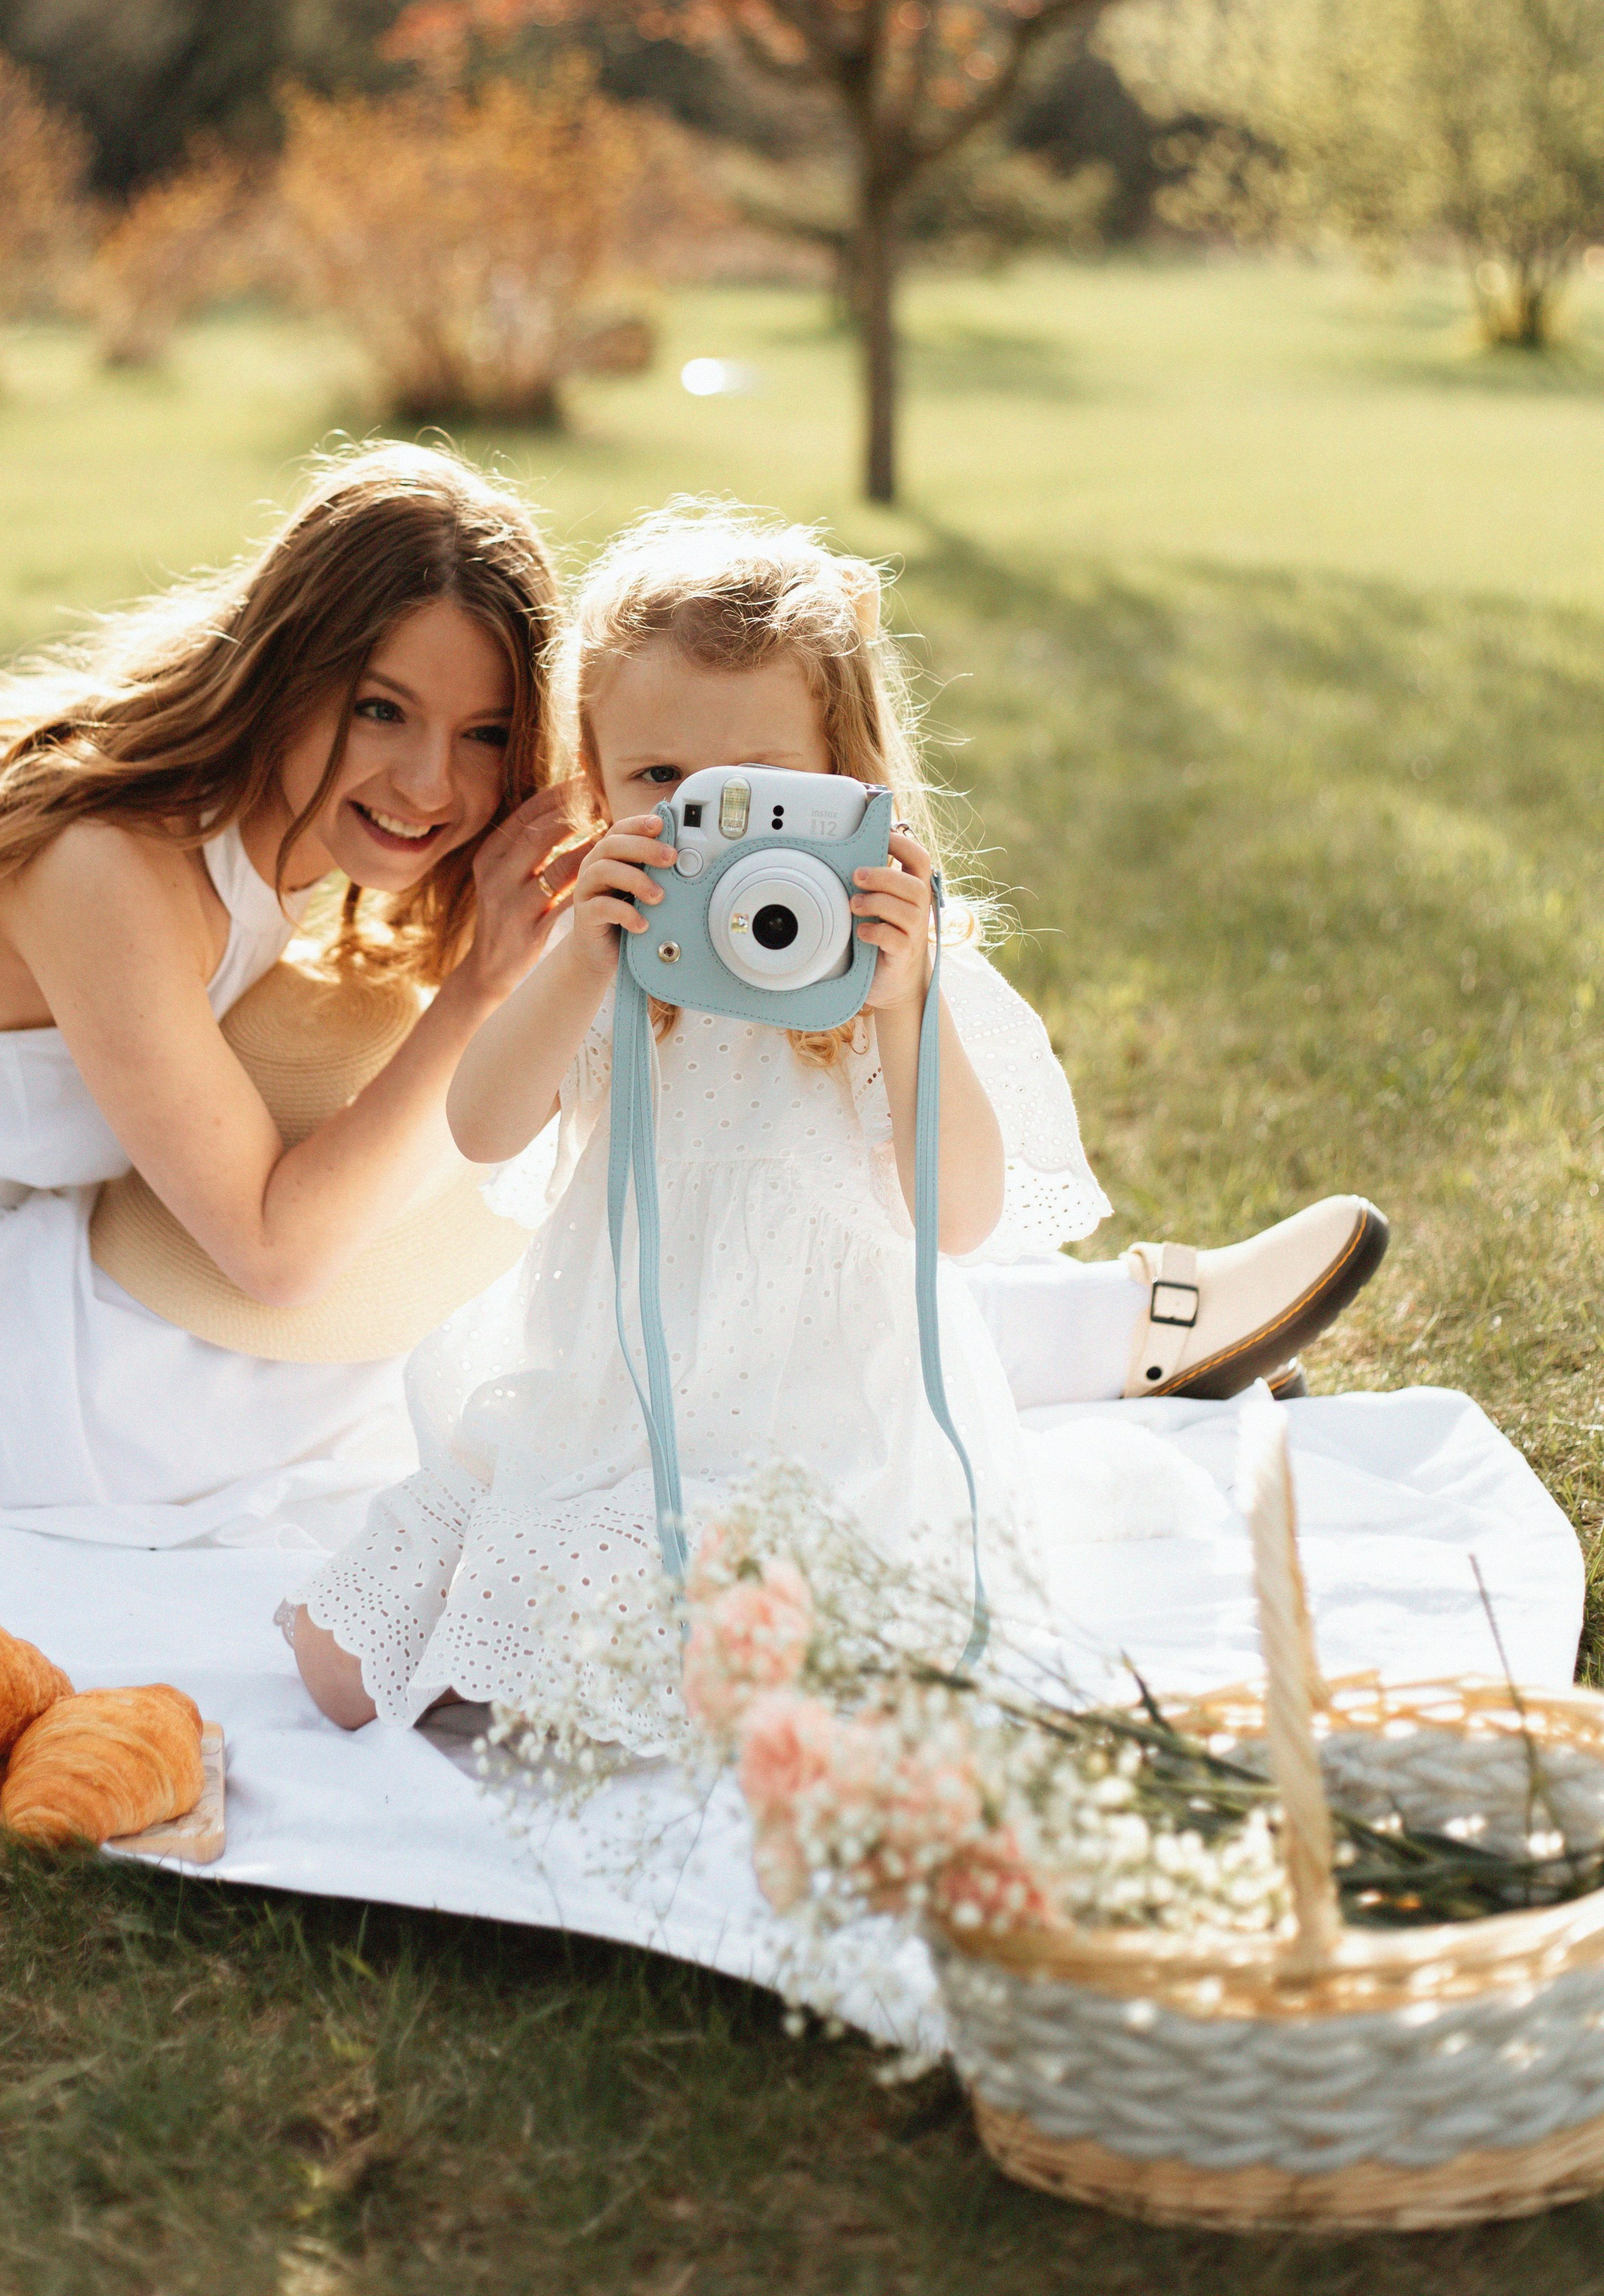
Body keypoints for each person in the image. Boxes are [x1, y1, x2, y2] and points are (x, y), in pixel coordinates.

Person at [289, 508, 1383, 1744]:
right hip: (602, 1409)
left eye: (755, 790)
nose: (704, 822)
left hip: (804, 1445)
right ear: (597, 780)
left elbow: (959, 1219)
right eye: (660, 783)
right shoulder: (607, 954)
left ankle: (828, 1595)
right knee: (339, 1664)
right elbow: (484, 1131)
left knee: (581, 1658)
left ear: (845, 785)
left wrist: (908, 1006)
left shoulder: (889, 971)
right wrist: (572, 964)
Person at [0, 447, 578, 1546]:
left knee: (426, 1307)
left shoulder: (254, 817)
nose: (433, 782)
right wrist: (482, 985)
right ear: (286, 674)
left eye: (485, 735)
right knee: (374, 1366)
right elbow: (275, 1254)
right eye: (382, 711)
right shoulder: (109, 864)